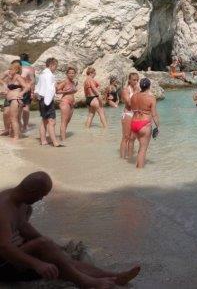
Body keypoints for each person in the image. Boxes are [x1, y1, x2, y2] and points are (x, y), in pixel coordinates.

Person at [0, 172, 141, 286]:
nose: (41, 199)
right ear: (31, 190)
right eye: (41, 195)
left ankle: (115, 277)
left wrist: (53, 246)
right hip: (4, 263)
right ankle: (85, 282)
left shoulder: (23, 204)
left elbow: (24, 227)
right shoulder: (3, 208)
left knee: (61, 258)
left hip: (16, 251)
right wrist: (37, 263)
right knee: (44, 245)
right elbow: (4, 248)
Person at [128, 78, 160, 169]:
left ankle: (137, 168)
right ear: (149, 86)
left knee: (140, 148)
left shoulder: (133, 96)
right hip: (144, 124)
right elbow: (154, 115)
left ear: (140, 86)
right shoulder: (151, 98)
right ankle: (139, 173)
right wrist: (158, 126)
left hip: (134, 123)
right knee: (143, 149)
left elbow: (131, 108)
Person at [34, 58, 62, 148]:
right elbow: (50, 89)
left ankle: (43, 141)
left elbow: (37, 88)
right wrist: (48, 102)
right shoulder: (50, 75)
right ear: (51, 65)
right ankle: (55, 142)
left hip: (41, 99)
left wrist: (39, 97)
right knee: (52, 121)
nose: (55, 68)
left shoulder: (42, 74)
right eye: (55, 66)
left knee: (44, 120)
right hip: (47, 100)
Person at [2, 61, 30, 140]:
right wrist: (4, 86)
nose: (10, 70)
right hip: (10, 99)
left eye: (12, 69)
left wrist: (21, 93)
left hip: (15, 99)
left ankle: (16, 137)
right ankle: (17, 135)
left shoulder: (18, 77)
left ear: (17, 70)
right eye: (9, 69)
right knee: (12, 118)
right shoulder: (10, 77)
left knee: (14, 118)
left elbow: (26, 87)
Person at [120, 72, 140, 159]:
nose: (136, 82)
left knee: (132, 138)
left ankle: (130, 157)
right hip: (128, 114)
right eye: (134, 80)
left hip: (136, 115)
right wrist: (135, 92)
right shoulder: (126, 90)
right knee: (126, 137)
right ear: (129, 80)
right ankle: (122, 158)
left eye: (137, 80)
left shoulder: (138, 90)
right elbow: (129, 103)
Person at [56, 67, 78, 144]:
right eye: (70, 73)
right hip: (65, 101)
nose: (71, 74)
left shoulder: (73, 82)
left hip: (72, 103)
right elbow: (57, 90)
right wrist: (65, 91)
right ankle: (63, 140)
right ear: (67, 74)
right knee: (64, 121)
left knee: (67, 121)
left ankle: (62, 136)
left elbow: (73, 91)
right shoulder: (64, 82)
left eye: (73, 73)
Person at [19, 53, 34, 133]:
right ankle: (25, 126)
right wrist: (32, 92)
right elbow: (32, 80)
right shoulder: (30, 67)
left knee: (18, 108)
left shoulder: (18, 66)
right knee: (26, 108)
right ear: (27, 59)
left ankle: (18, 125)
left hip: (18, 89)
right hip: (27, 89)